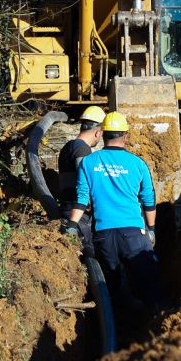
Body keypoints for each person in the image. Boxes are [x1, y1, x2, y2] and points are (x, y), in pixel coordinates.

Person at [64, 111, 163, 314]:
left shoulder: (89, 162)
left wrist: (72, 225)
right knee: (148, 281)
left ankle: (118, 323)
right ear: (125, 136)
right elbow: (149, 200)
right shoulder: (138, 164)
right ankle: (156, 320)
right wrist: (151, 229)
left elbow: (82, 198)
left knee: (111, 287)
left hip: (103, 235)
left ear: (103, 134)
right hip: (134, 234)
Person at [57, 106, 104, 258]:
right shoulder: (82, 150)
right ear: (98, 132)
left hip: (68, 210)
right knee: (91, 257)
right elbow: (86, 181)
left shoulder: (69, 146)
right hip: (77, 215)